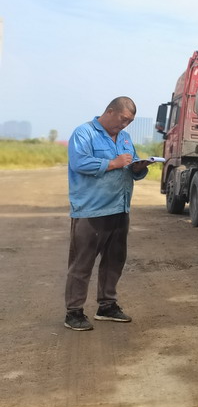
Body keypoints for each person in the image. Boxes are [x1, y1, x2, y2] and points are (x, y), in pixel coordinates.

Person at [64, 97, 149, 331]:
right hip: (92, 210)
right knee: (82, 263)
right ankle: (73, 312)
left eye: (129, 122)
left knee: (114, 261)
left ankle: (107, 306)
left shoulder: (125, 138)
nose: (125, 125)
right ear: (110, 111)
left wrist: (138, 168)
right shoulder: (84, 133)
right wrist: (113, 163)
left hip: (120, 208)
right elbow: (79, 163)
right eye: (123, 119)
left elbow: (129, 168)